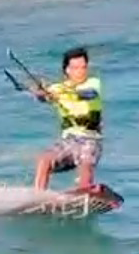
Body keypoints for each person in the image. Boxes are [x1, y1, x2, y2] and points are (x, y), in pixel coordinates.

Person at [31, 48, 104, 193]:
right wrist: (41, 93)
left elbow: (90, 94)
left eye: (84, 67)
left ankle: (84, 191)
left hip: (90, 140)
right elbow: (42, 98)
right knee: (44, 160)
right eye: (76, 68)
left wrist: (65, 93)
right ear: (67, 70)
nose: (81, 72)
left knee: (85, 166)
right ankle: (38, 196)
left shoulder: (93, 83)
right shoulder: (56, 88)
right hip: (69, 142)